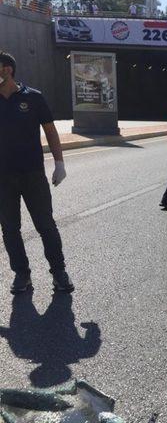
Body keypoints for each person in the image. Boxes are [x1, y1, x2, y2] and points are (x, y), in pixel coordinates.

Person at [0, 52, 74, 294]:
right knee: (10, 228)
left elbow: (51, 131)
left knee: (45, 225)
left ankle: (59, 272)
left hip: (32, 173)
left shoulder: (33, 97)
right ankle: (22, 274)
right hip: (3, 178)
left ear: (7, 69)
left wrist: (59, 163)